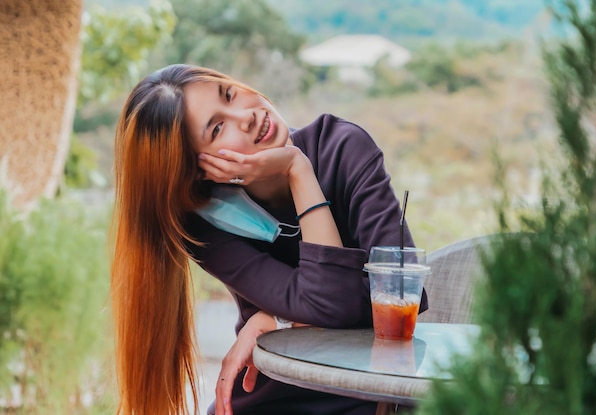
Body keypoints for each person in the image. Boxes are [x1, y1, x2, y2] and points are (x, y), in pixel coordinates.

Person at [110, 63, 428, 415]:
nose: (244, 115)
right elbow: (332, 304)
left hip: (371, 395)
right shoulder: (210, 224)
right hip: (275, 395)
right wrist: (295, 168)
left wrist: (277, 320)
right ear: (200, 170)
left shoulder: (342, 148)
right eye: (218, 128)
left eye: (229, 94)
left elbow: (403, 294)